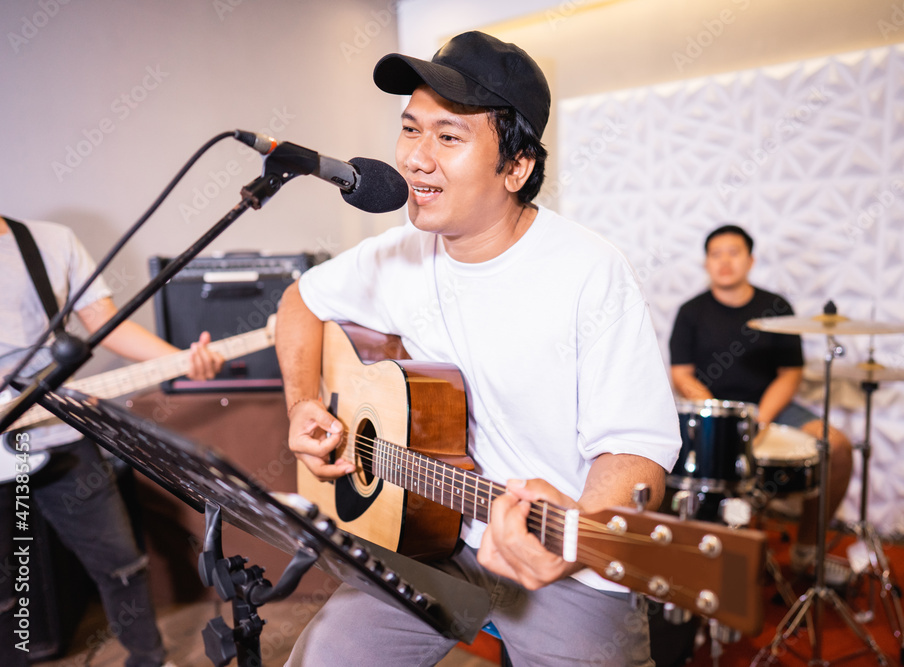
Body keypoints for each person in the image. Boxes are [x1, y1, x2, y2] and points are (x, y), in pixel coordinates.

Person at [277, 31, 681, 666]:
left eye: (449, 137)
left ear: (516, 168)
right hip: (430, 535)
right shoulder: (396, 254)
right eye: (411, 130)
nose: (415, 158)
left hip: (563, 559)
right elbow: (299, 303)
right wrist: (303, 404)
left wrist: (577, 533)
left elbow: (636, 451)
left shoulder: (589, 270)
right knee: (326, 655)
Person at [0, 216, 224, 666]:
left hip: (60, 431)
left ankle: (148, 659)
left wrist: (181, 360)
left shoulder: (49, 241)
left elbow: (105, 322)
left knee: (122, 564)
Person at [668, 223, 854, 580]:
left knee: (839, 448)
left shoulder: (776, 306)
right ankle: (703, 553)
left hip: (773, 407)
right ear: (706, 262)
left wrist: (760, 420)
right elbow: (681, 374)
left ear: (750, 259)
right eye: (715, 254)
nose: (724, 261)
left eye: (733, 252)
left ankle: (805, 552)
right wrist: (721, 416)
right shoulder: (691, 311)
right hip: (715, 412)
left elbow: (790, 373)